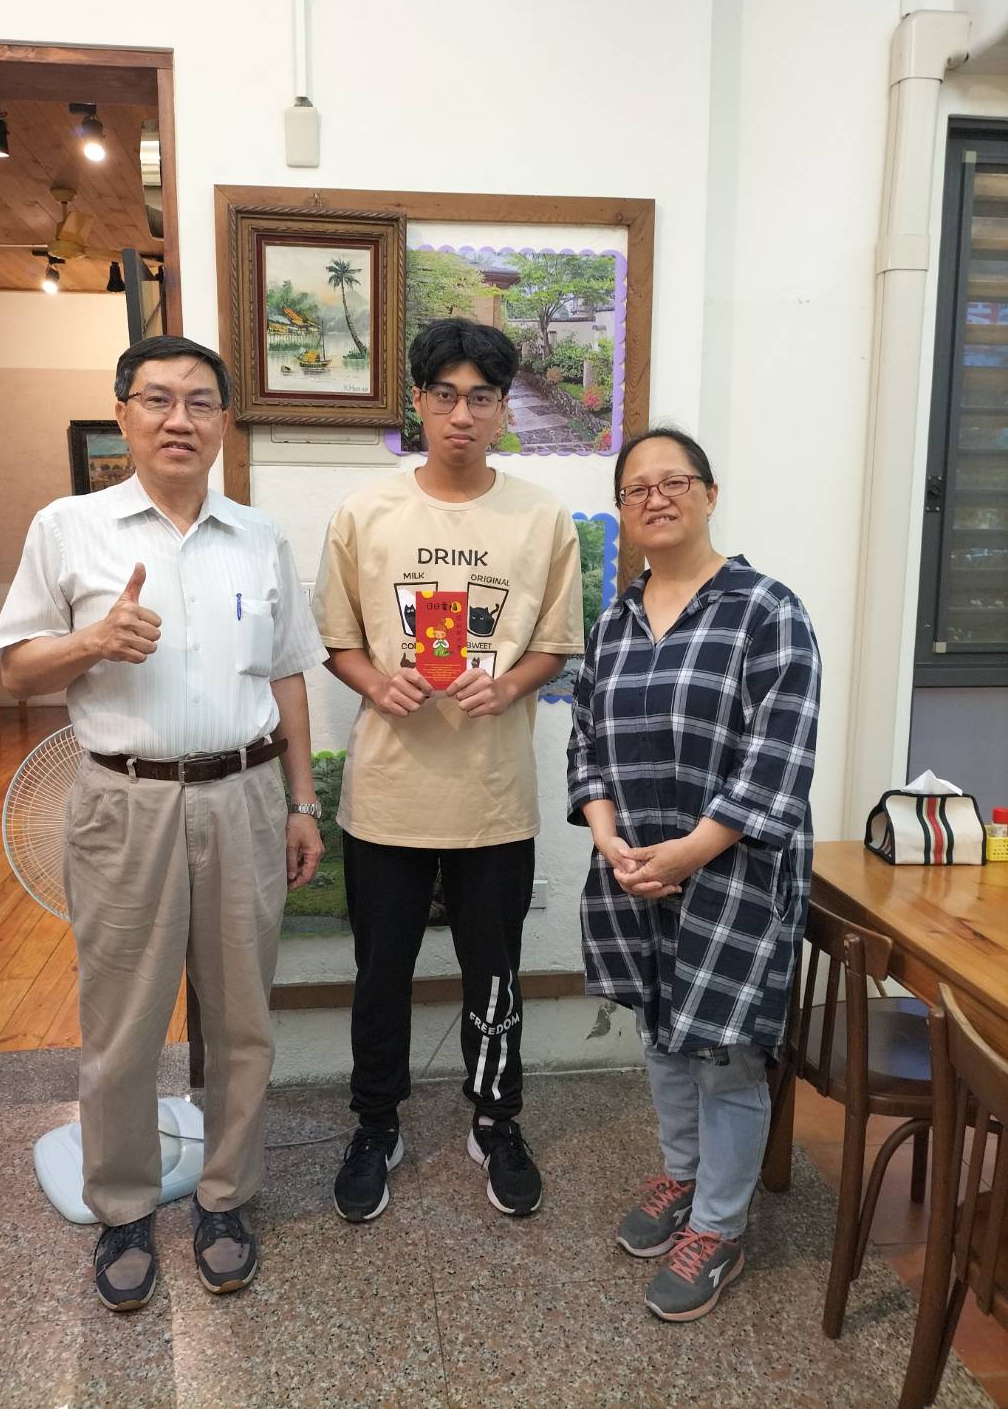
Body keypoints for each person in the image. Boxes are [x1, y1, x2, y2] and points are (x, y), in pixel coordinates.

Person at [0, 335, 327, 1311]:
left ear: (223, 421)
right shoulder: (69, 527)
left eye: (199, 402)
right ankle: (125, 1207)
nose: (179, 419)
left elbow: (287, 673)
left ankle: (226, 1198)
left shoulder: (259, 536)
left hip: (246, 795)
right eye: (157, 399)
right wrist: (94, 641)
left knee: (241, 1019)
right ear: (124, 414)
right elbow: (13, 671)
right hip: (122, 799)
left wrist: (303, 801)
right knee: (122, 1024)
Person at [313, 318, 584, 1223]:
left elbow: (555, 645)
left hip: (492, 800)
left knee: (494, 972)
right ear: (419, 404)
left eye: (481, 397)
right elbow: (338, 639)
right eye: (444, 395)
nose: (461, 414)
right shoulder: (365, 513)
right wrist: (373, 681)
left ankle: (496, 1119)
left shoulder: (541, 517)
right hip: (387, 796)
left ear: (504, 409)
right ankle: (375, 1123)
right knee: (379, 973)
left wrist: (508, 685)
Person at [567, 426, 821, 1322]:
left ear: (710, 495)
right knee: (661, 1031)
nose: (656, 497)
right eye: (637, 488)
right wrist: (611, 841)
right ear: (624, 511)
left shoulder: (766, 610)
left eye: (674, 481)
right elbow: (587, 745)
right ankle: (682, 1175)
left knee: (723, 1051)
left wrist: (689, 850)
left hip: (732, 874)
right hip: (637, 869)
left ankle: (720, 1224)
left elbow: (777, 759)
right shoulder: (613, 623)